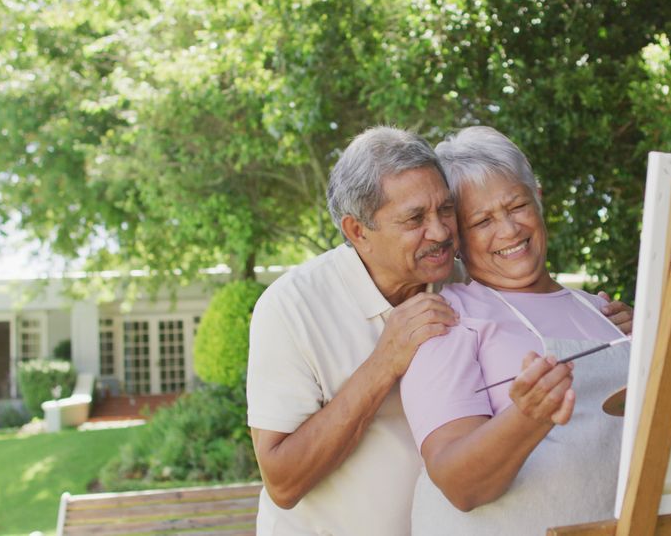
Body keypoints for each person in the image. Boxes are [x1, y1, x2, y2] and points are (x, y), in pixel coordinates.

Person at [247, 126, 632, 535]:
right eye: (415, 218)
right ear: (358, 231)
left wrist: (608, 330)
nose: (442, 232)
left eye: (446, 210)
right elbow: (282, 482)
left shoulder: (459, 279)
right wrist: (383, 363)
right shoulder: (294, 306)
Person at [400, 126, 631, 535]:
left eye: (517, 205)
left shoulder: (601, 311)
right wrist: (527, 416)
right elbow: (459, 484)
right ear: (456, 239)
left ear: (538, 200)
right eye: (482, 220)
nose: (508, 230)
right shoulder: (449, 320)